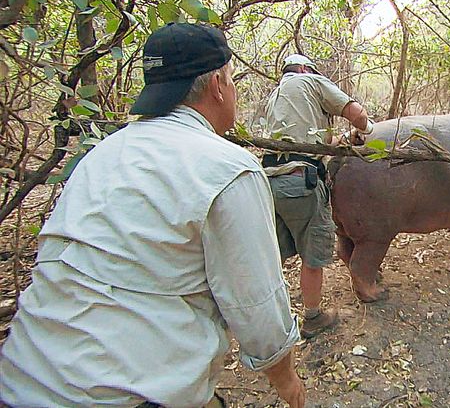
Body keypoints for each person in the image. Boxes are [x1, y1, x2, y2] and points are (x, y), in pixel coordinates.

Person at [0, 23, 304, 407]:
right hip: (125, 396)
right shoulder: (228, 168)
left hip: (20, 378)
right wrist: (287, 380)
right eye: (231, 79)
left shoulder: (103, 154)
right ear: (217, 86)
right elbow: (257, 307)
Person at [263, 54, 373, 338]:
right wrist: (368, 129)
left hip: (270, 182)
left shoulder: (276, 97)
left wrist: (344, 139)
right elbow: (357, 113)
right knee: (312, 256)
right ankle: (313, 317)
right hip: (302, 183)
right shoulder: (310, 81)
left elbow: (311, 145)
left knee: (277, 254)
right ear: (303, 70)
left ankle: (269, 318)